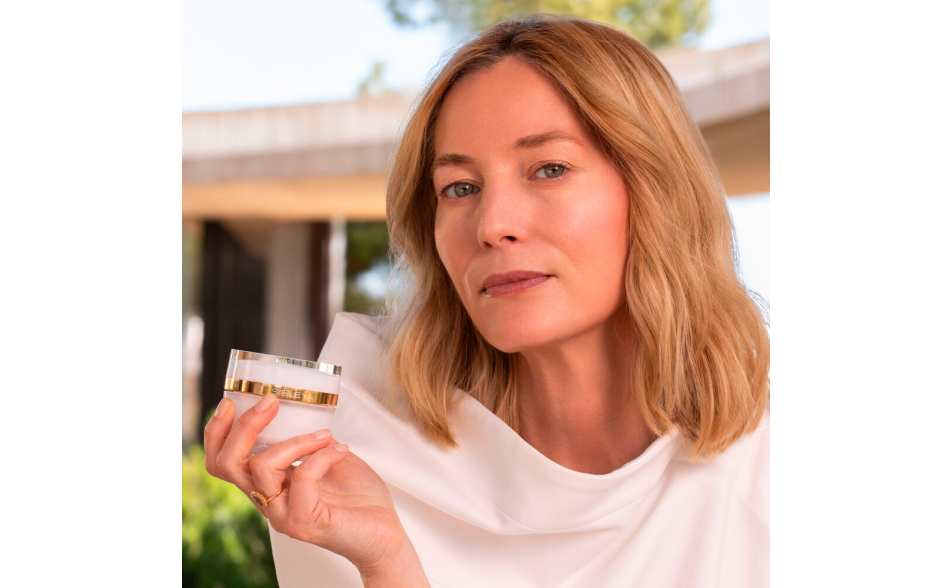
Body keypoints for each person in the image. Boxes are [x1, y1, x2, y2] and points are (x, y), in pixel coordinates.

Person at [204, 15, 770, 588]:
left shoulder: (774, 458)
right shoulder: (358, 451)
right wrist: (386, 562)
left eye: (549, 169)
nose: (492, 225)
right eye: (460, 188)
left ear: (656, 190)